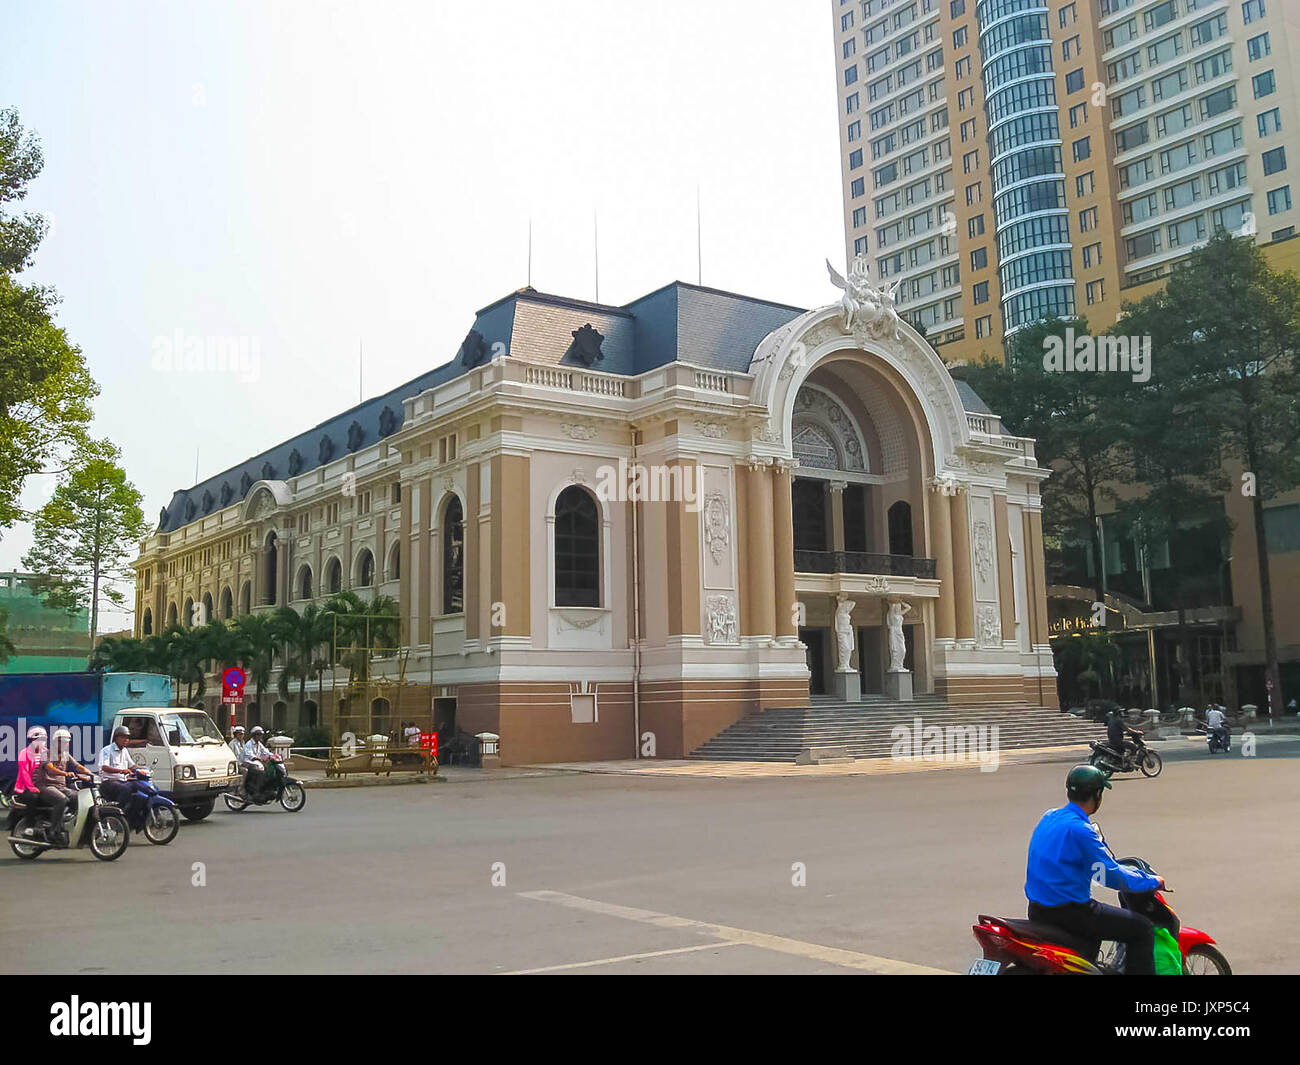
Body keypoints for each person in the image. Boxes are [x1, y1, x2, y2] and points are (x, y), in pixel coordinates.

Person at [1025, 764, 1164, 974]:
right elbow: (1109, 875)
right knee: (1142, 928)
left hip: (1038, 909)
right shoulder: (1081, 830)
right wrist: (1152, 881)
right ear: (1097, 794)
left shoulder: (1049, 816)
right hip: (1070, 912)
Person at [15, 727, 66, 841]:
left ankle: (55, 827)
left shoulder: (45, 752)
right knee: (34, 797)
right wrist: (31, 787)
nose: (41, 741)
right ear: (31, 740)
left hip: (39, 785)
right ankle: (30, 827)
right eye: (38, 739)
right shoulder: (24, 753)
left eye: (43, 739)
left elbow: (53, 766)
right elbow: (24, 773)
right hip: (24, 787)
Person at [97, 724, 142, 816]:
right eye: (123, 737)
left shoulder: (125, 751)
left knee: (139, 786)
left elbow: (132, 765)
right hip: (109, 781)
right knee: (125, 789)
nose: (126, 740)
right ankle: (118, 813)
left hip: (123, 780)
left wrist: (142, 770)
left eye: (128, 738)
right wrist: (121, 771)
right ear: (116, 738)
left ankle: (133, 814)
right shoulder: (107, 750)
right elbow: (104, 767)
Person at [243, 725, 276, 797]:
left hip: (257, 762)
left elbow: (265, 752)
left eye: (261, 735)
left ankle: (265, 789)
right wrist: (258, 758)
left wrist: (273, 756)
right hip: (248, 762)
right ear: (254, 735)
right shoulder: (249, 744)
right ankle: (255, 790)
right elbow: (250, 755)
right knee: (258, 770)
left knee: (269, 769)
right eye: (258, 734)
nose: (260, 736)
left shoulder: (259, 744)